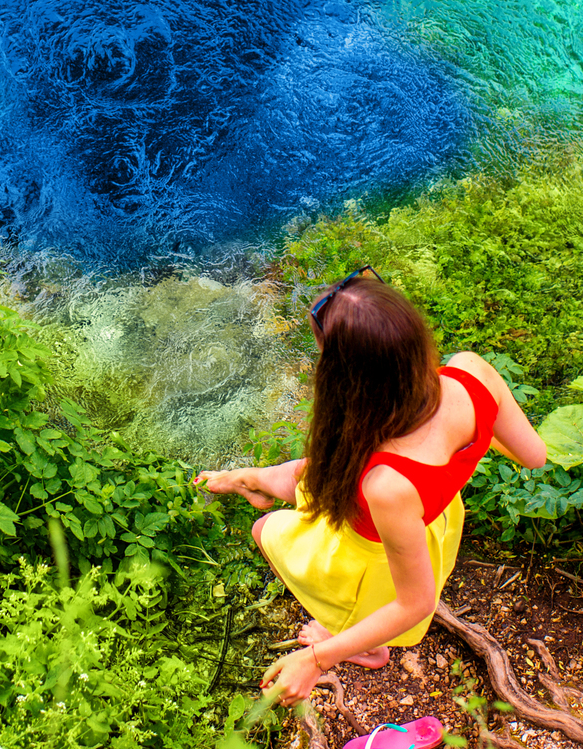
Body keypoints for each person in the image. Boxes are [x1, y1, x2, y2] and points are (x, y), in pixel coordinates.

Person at [195, 267, 547, 708]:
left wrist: (317, 659)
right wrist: (468, 439)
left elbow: (416, 603)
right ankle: (248, 479)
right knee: (311, 481)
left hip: (375, 560)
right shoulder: (471, 372)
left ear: (349, 379)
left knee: (265, 529)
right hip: (433, 524)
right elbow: (534, 455)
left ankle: (363, 644)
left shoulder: (385, 482)